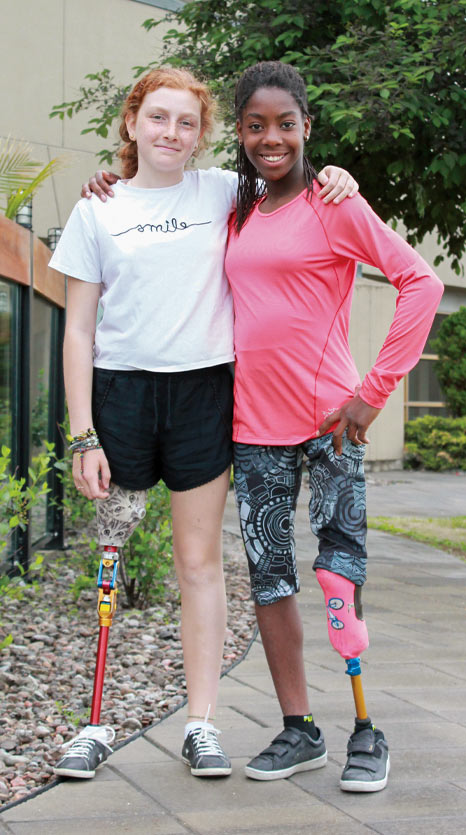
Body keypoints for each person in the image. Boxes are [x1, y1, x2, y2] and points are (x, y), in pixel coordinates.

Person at [49, 65, 358, 781]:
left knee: (200, 565)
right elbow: (77, 329)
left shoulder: (223, 189)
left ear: (201, 133)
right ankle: (94, 722)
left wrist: (335, 174)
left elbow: (292, 180)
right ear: (132, 122)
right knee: (107, 560)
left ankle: (200, 722)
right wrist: (82, 432)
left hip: (202, 396)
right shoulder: (99, 208)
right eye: (157, 118)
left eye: (186, 122)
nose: (171, 133)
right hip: (119, 397)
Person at [222, 61, 444, 792]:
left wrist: (374, 394)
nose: (271, 138)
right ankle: (299, 728)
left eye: (285, 123)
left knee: (338, 574)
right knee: (269, 575)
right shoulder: (237, 210)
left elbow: (423, 282)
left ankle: (365, 728)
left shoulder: (334, 203)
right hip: (254, 428)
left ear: (307, 127)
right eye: (256, 125)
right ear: (242, 132)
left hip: (329, 424)